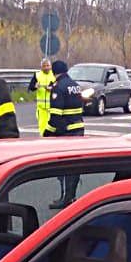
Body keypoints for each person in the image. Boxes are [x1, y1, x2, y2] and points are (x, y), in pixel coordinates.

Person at [46, 59, 85, 207]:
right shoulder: (75, 86)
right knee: (75, 165)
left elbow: (56, 115)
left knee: (64, 166)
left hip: (66, 132)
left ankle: (65, 199)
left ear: (54, 72)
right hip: (79, 129)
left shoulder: (58, 87)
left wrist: (48, 132)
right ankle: (71, 196)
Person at [29, 56, 56, 137]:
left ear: (50, 66)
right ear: (41, 67)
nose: (46, 67)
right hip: (41, 108)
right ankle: (43, 140)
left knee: (53, 127)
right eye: (44, 66)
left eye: (48, 65)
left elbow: (59, 87)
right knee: (42, 127)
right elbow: (30, 87)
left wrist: (52, 89)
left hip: (52, 107)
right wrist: (35, 86)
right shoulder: (37, 75)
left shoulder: (54, 75)